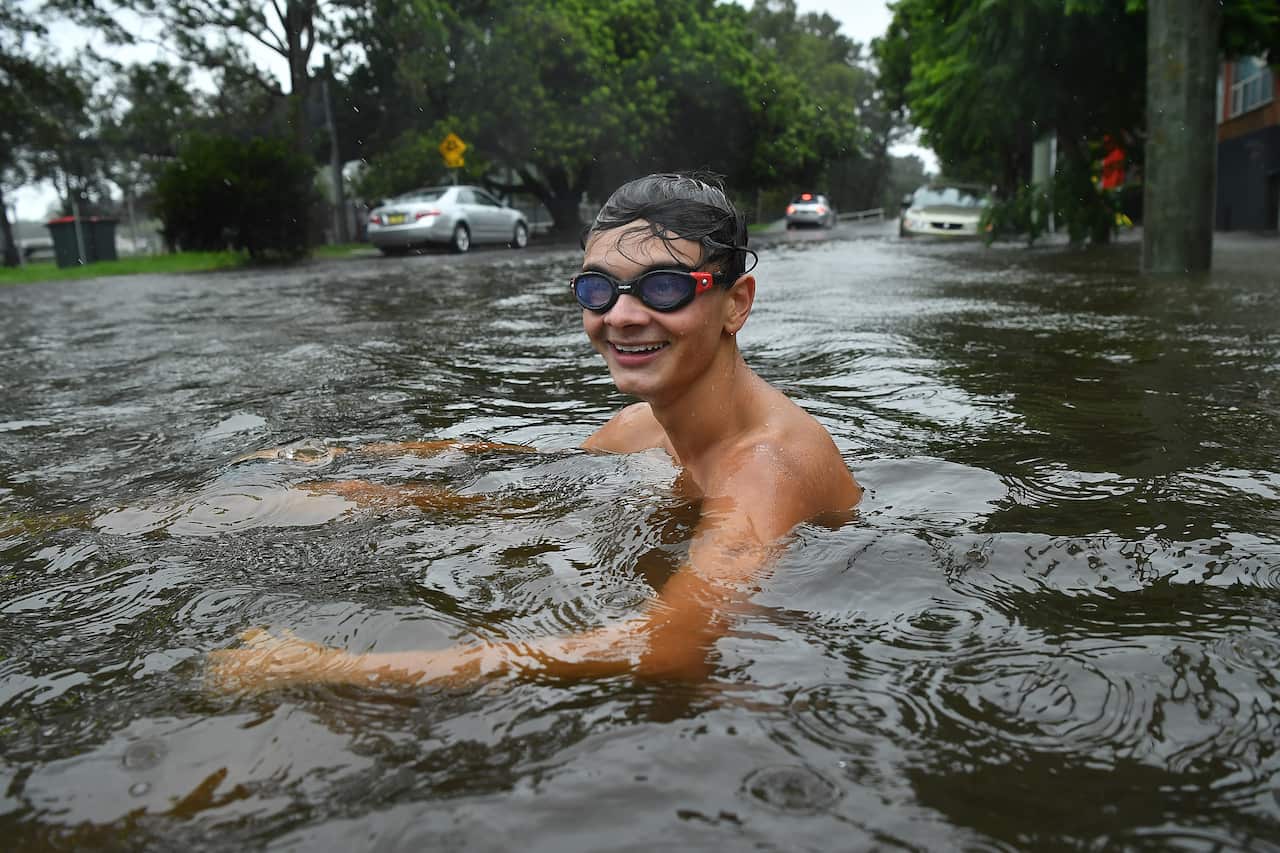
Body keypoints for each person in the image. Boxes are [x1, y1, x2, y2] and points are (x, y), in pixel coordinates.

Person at [208, 172, 862, 690]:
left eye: (663, 287)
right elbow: (524, 478)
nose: (622, 316)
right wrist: (341, 472)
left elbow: (665, 649)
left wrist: (328, 668)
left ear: (736, 303)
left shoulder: (767, 470)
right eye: (597, 289)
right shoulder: (643, 428)